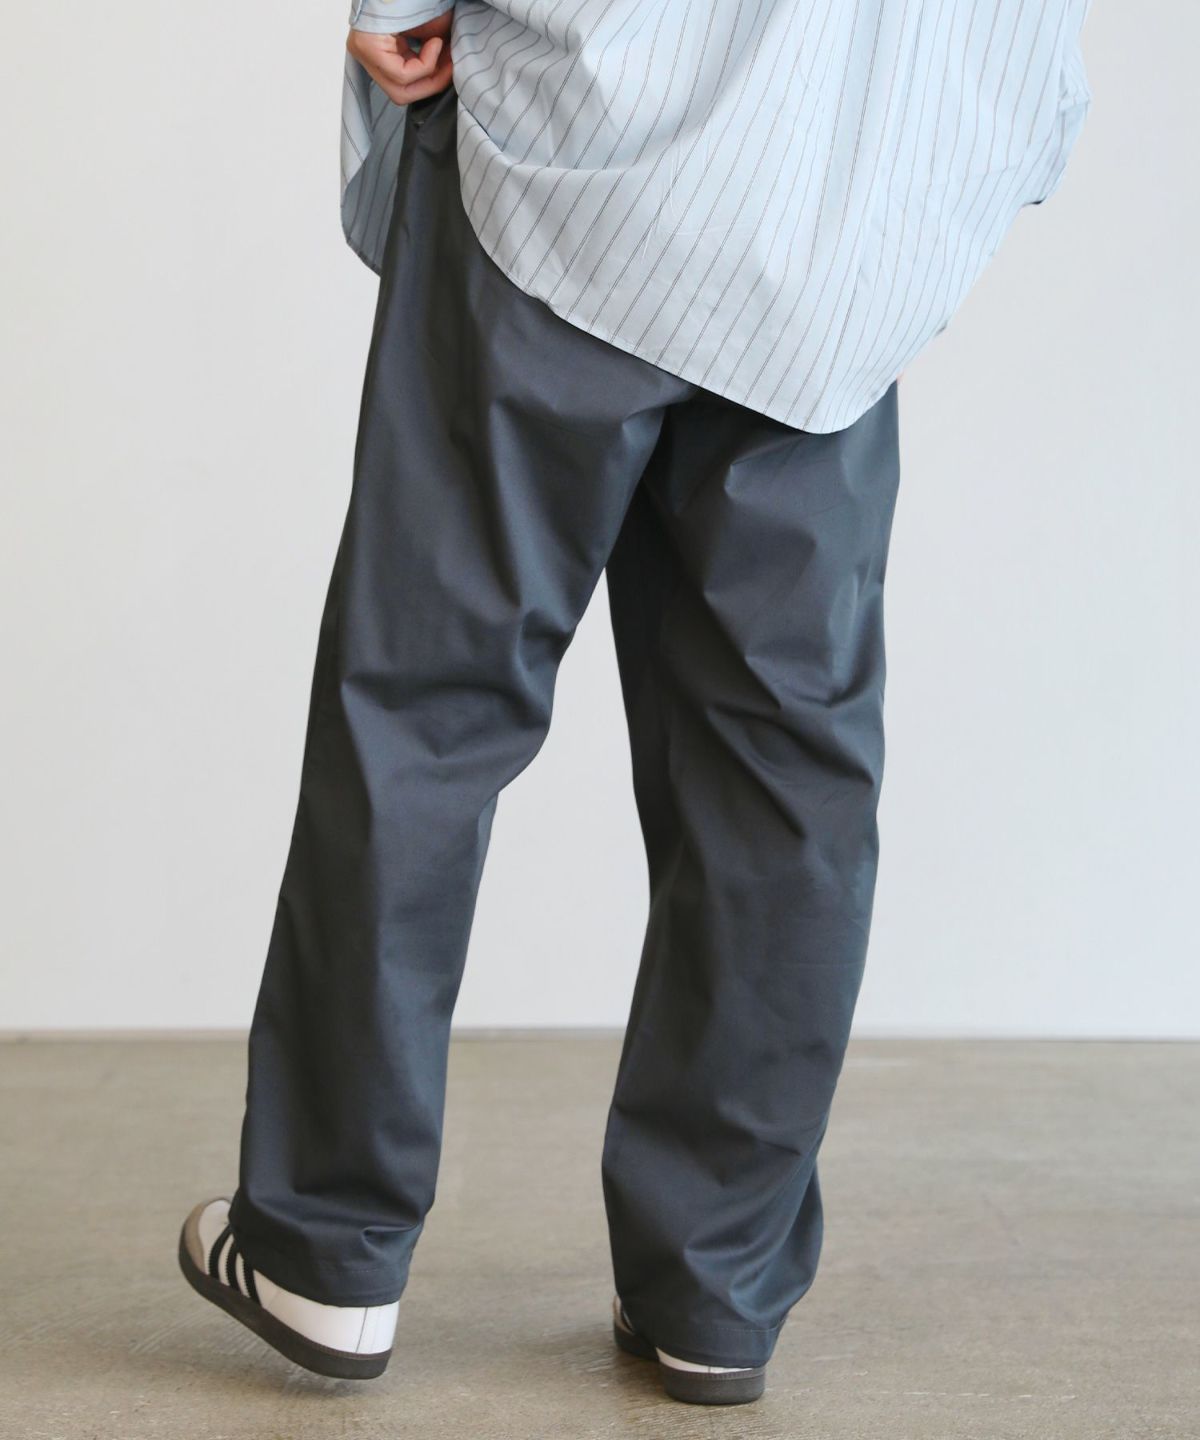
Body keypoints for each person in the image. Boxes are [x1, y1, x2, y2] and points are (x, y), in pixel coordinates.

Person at [177, 0, 1091, 1407]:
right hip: (848, 218)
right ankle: (714, 1290)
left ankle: (326, 1248)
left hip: (581, 156)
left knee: (422, 707)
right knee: (783, 771)